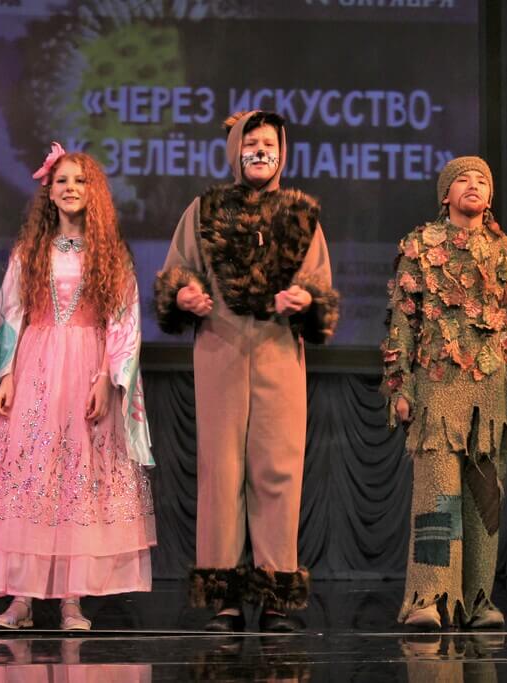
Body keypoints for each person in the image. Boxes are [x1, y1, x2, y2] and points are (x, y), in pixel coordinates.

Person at [154, 110, 339, 632]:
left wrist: (307, 299)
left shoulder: (300, 215)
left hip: (279, 353)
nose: (261, 151)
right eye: (252, 142)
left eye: (270, 144)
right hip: (221, 350)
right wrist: (183, 294)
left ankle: (276, 596)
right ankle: (226, 598)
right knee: (222, 473)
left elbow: (320, 287)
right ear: (236, 149)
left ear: (283, 152)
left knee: (278, 471)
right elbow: (176, 273)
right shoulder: (204, 211)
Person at [0, 144, 156, 630]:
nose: (70, 188)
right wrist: (7, 374)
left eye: (80, 180)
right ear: (48, 192)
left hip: (87, 368)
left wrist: (107, 379)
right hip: (37, 366)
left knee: (77, 475)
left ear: (94, 192)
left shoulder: (110, 254)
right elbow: (11, 313)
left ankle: (72, 600)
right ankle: (22, 600)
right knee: (32, 474)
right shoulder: (30, 251)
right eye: (62, 180)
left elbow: (124, 321)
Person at [381, 156, 507, 630]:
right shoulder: (420, 245)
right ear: (445, 195)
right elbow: (403, 321)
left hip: (489, 396)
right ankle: (429, 598)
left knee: (484, 498)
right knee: (439, 497)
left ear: (489, 197)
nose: (474, 185)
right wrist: (400, 385)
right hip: (438, 390)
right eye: (462, 180)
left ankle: (478, 600)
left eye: (482, 180)